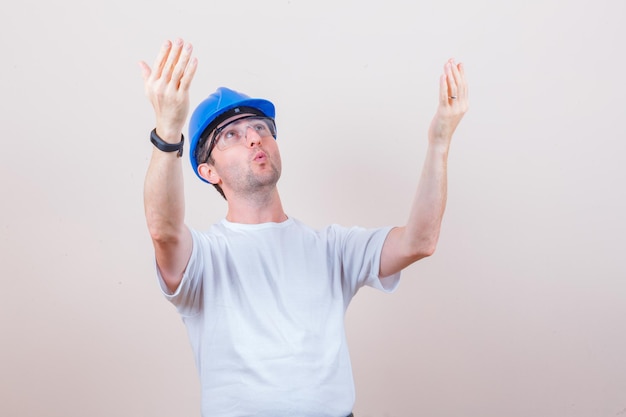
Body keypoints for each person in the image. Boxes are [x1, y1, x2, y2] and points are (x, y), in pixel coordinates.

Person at [139, 38, 468, 417]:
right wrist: (167, 130)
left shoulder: (331, 249)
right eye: (230, 134)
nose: (253, 136)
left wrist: (440, 140)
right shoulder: (205, 257)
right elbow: (163, 230)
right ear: (207, 171)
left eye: (261, 126)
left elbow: (420, 240)